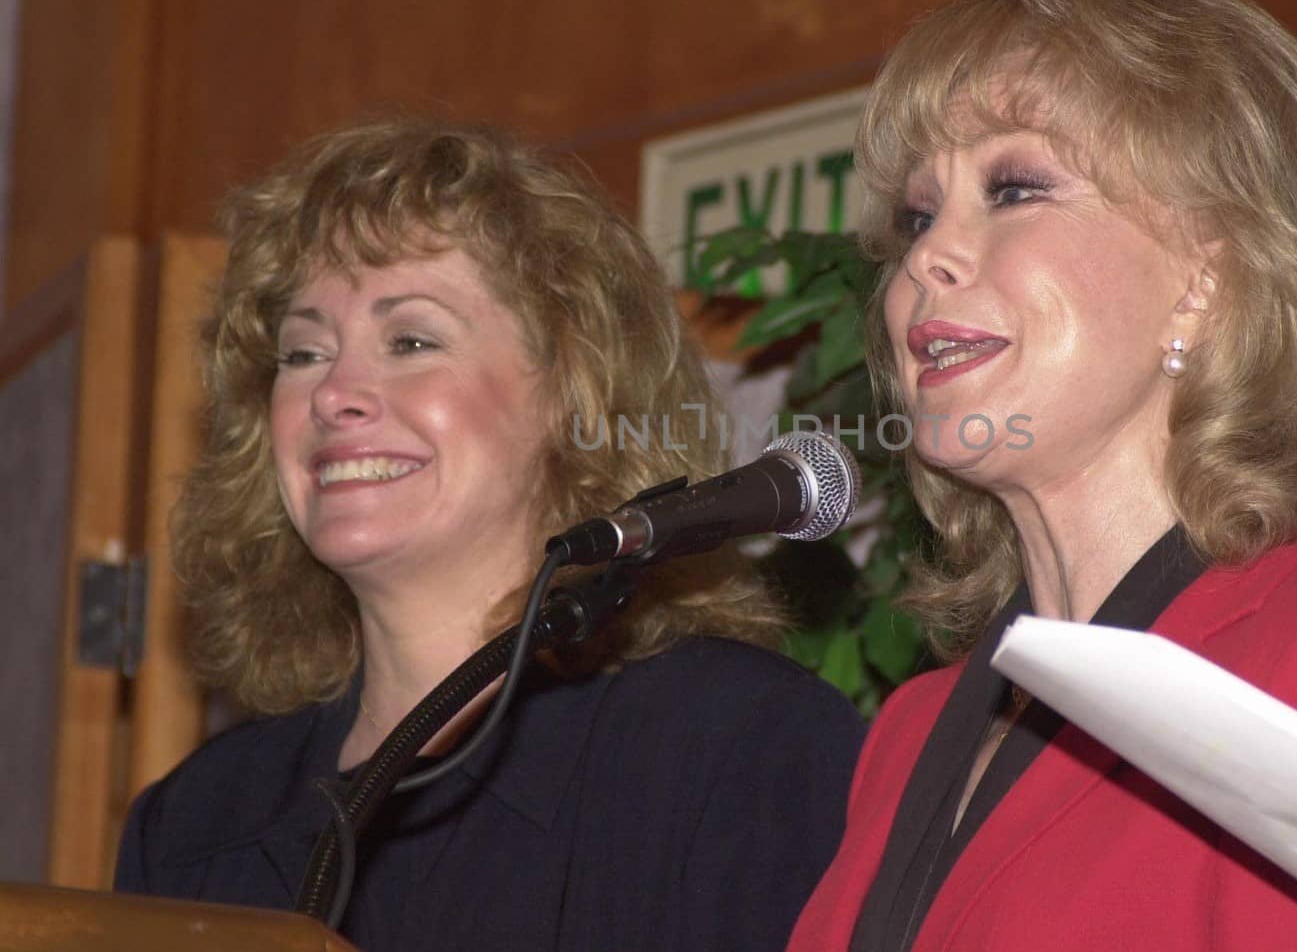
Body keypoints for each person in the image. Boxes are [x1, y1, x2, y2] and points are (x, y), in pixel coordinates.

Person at [786, 0, 1297, 951]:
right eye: (919, 214)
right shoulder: (910, 732)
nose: (925, 256)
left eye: (1013, 190)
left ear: (1207, 280)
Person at [114, 120, 864, 951]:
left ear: (576, 393)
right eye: (303, 354)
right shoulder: (194, 824)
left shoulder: (738, 749)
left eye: (411, 340)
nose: (335, 395)